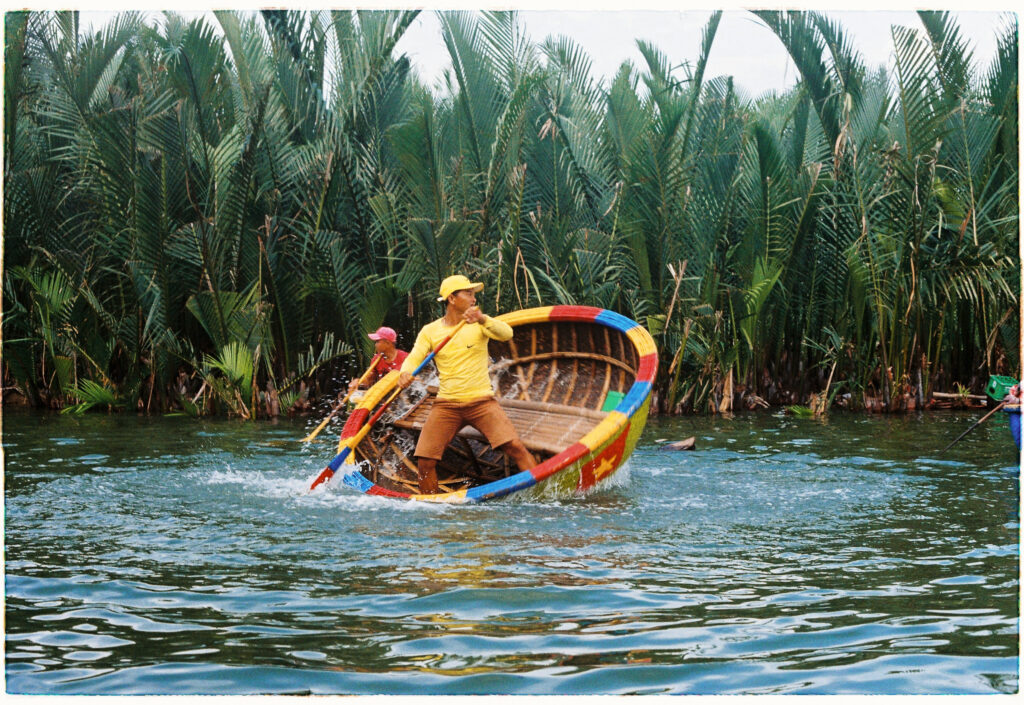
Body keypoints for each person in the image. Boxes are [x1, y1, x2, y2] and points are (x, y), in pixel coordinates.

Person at [398, 274, 536, 494]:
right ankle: (431, 508)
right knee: (425, 461)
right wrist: (404, 373)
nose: (473, 299)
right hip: (447, 404)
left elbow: (506, 333)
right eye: (468, 294)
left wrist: (483, 319)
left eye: (474, 295)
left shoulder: (480, 324)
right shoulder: (430, 331)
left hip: (481, 401)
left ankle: (539, 492)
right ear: (452, 299)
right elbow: (414, 357)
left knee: (515, 447)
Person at [348, 326, 408, 392]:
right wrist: (358, 381)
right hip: (384, 394)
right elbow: (369, 379)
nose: (375, 345)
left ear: (387, 343)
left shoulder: (405, 357)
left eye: (377, 341)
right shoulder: (376, 359)